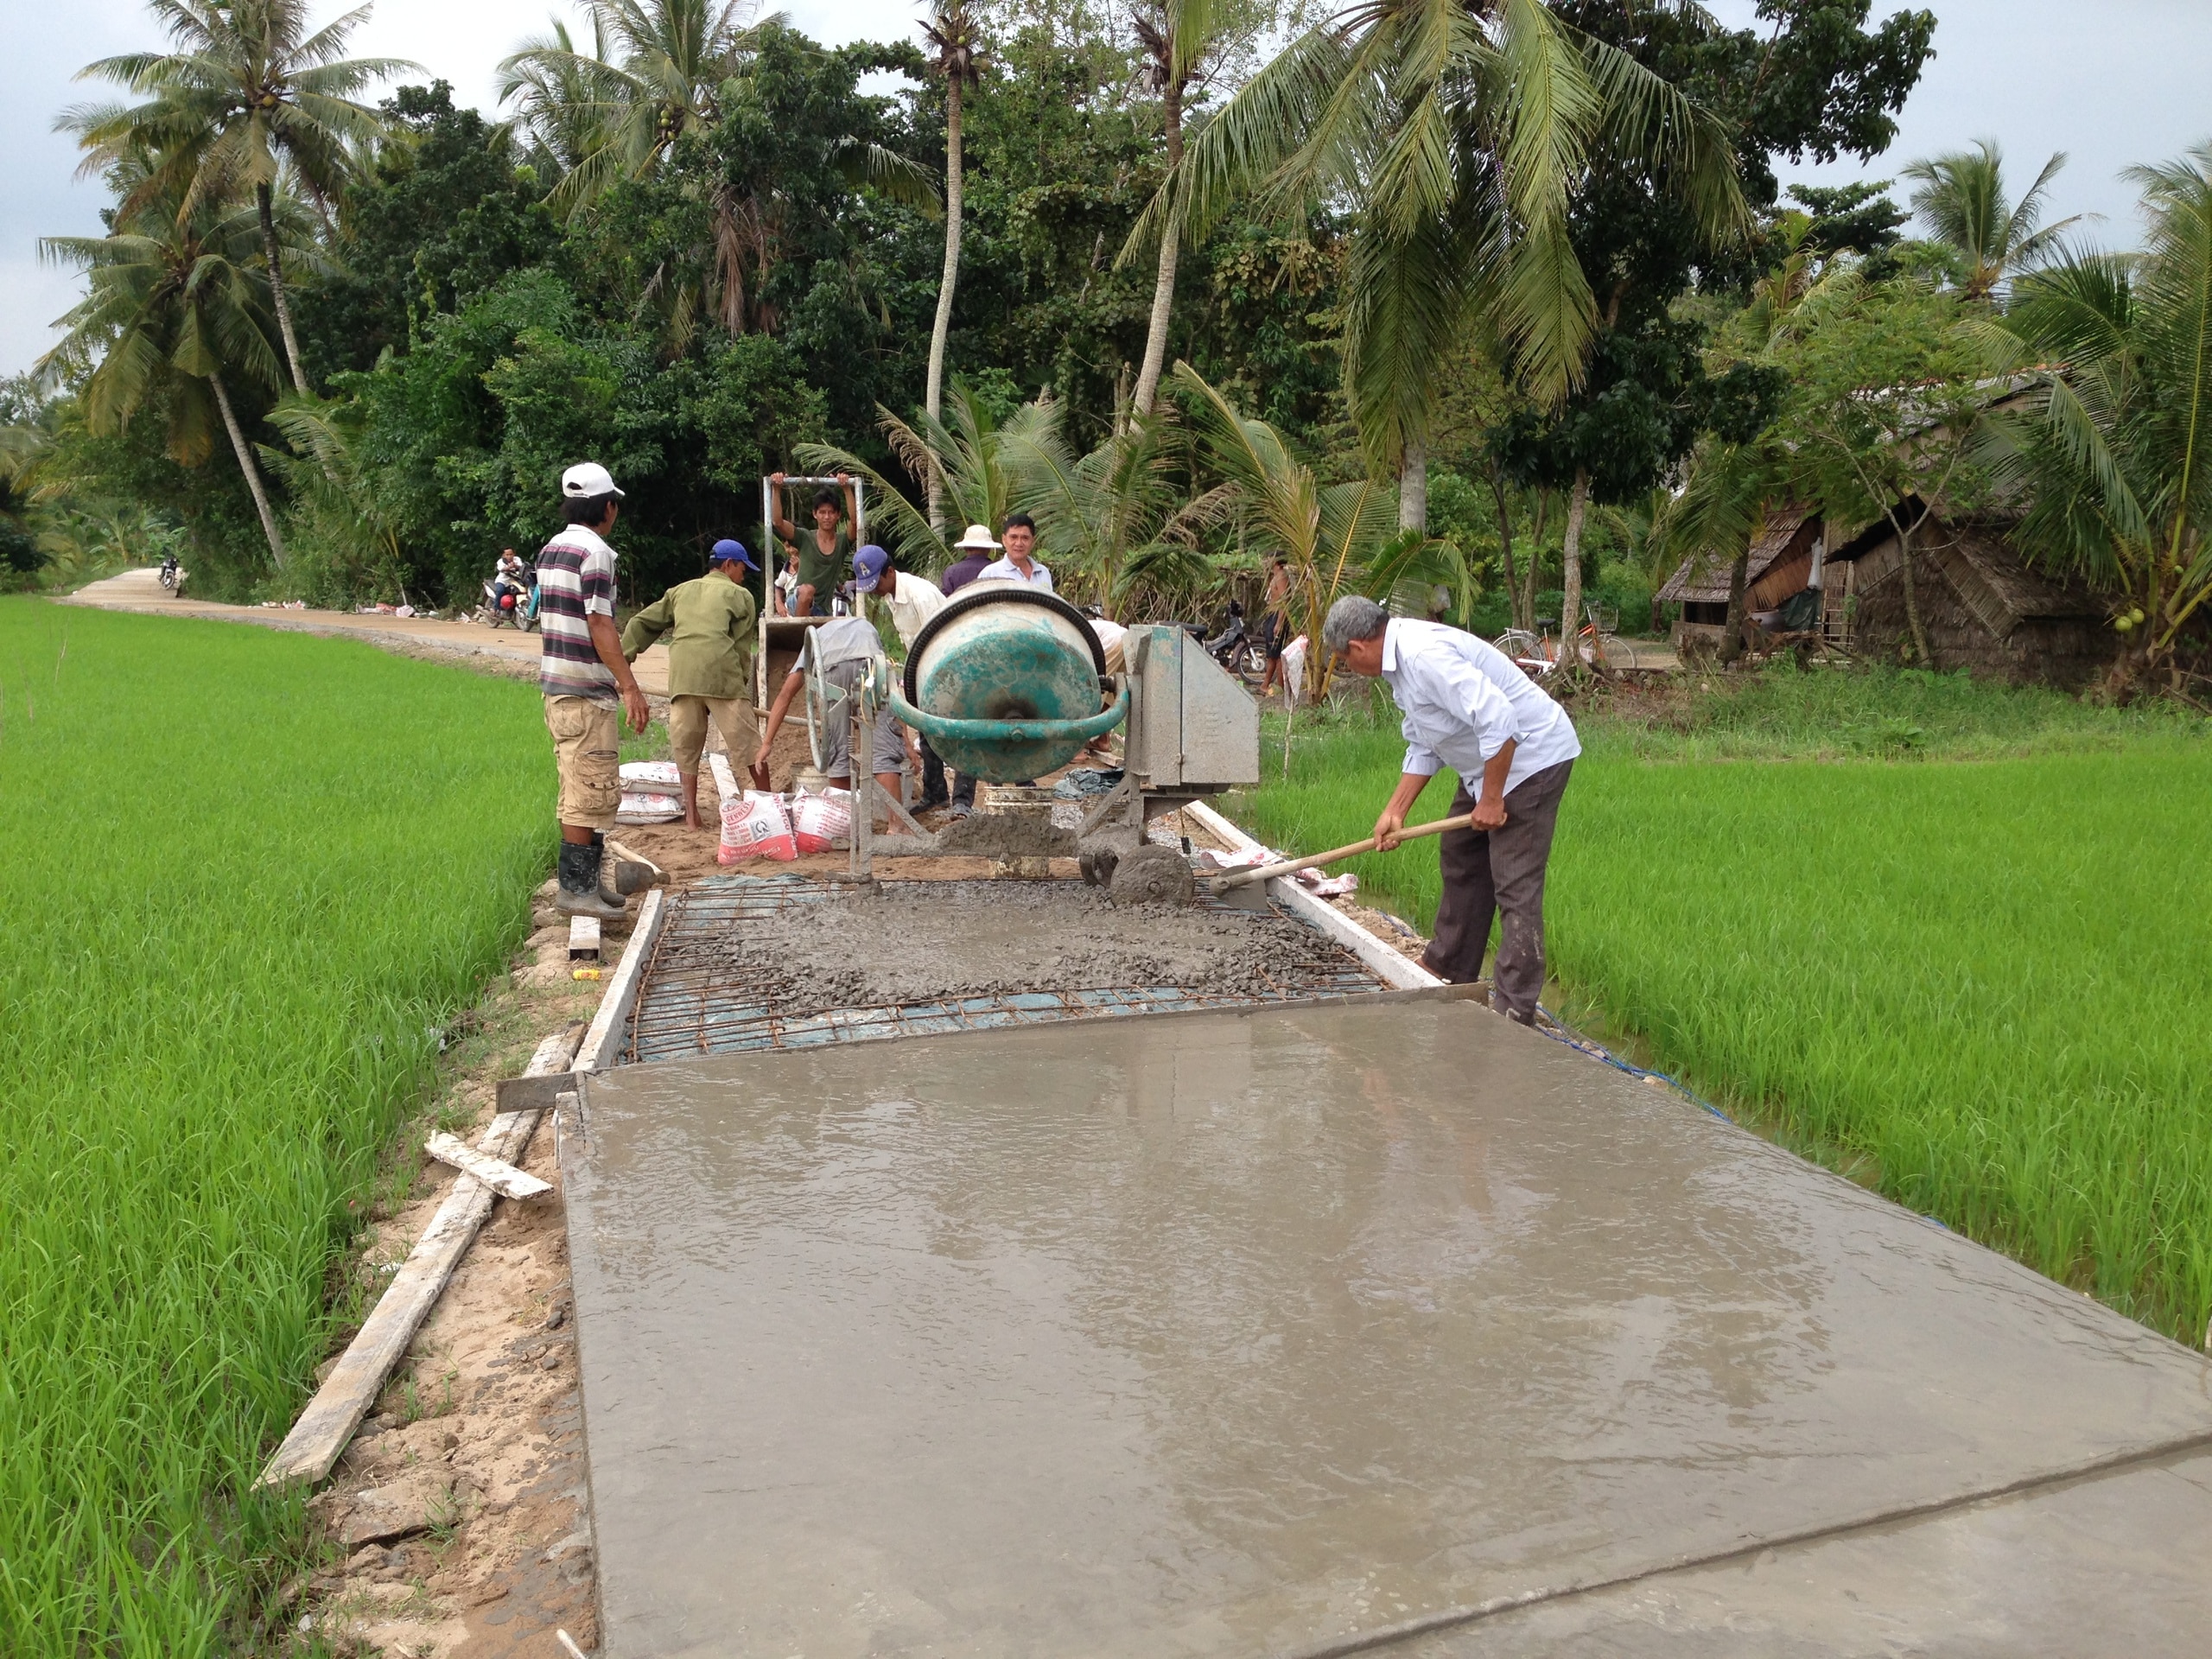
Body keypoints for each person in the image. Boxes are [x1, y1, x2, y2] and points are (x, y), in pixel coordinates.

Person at [1323, 594, 1580, 1026]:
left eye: (1344, 660)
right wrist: (1395, 811)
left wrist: (1493, 800)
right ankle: (1449, 966)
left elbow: (1500, 720)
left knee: (1515, 882)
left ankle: (1515, 1006)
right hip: (1487, 761)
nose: (1349, 668)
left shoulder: (1424, 656)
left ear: (1358, 647)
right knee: (1461, 851)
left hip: (1530, 760)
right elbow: (1425, 740)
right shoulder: (1399, 665)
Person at [538, 462, 652, 920]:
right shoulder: (596, 553)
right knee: (592, 787)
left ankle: (585, 886)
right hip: (586, 691)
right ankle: (577, 890)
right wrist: (629, 685)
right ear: (608, 507)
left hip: (556, 689)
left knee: (576, 784)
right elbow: (600, 622)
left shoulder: (551, 549)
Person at [621, 539, 760, 831]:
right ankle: (768, 805)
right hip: (722, 675)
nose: (743, 574)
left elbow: (640, 623)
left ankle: (692, 818)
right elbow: (741, 647)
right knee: (750, 746)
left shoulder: (679, 591)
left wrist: (624, 659)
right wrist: (741, 685)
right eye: (742, 568)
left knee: (686, 749)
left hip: (683, 677)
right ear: (728, 565)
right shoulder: (741, 595)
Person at [759, 613, 914, 832]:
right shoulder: (864, 625)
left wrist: (767, 741)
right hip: (868, 668)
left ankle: (845, 827)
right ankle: (896, 827)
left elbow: (786, 694)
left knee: (838, 754)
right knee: (883, 752)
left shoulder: (818, 635)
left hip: (832, 675)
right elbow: (891, 691)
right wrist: (906, 743)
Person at [850, 543, 954, 811]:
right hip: (923, 670)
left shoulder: (920, 595)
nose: (873, 590)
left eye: (875, 583)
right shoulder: (891, 596)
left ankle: (962, 802)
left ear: (890, 572)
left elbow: (942, 639)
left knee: (956, 733)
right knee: (927, 732)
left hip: (948, 668)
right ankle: (935, 794)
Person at [769, 472, 858, 617]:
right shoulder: (805, 537)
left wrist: (847, 489)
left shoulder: (842, 542)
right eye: (822, 512)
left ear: (838, 515)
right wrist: (777, 490)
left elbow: (855, 522)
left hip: (822, 609)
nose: (827, 517)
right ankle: (799, 631)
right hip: (797, 600)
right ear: (815, 514)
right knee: (807, 591)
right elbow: (778, 522)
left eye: (831, 512)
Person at [977, 512, 1052, 589]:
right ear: (1004, 540)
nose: (1019, 543)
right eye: (1013, 537)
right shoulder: (990, 574)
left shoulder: (1044, 573)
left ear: (1033, 541)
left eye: (1025, 538)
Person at [1259, 556, 1293, 697]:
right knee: (1273, 655)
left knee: (1277, 655)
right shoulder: (1275, 577)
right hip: (1272, 616)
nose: (1267, 561)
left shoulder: (1282, 576)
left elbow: (1284, 600)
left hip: (1277, 618)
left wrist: (1279, 622)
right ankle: (1267, 685)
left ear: (1277, 563)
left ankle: (1279, 687)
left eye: (1269, 559)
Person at [939, 524, 1001, 594]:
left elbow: (946, 601)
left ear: (965, 548)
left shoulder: (952, 572)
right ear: (989, 549)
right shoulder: (997, 571)